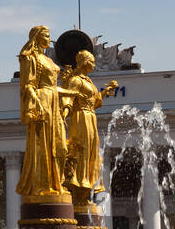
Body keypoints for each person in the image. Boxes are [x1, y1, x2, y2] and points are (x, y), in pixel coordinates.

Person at [16, 25, 69, 198]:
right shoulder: (30, 58)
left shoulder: (49, 61)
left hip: (54, 103)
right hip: (43, 103)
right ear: (37, 37)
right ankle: (41, 185)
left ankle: (57, 183)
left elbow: (54, 87)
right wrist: (36, 102)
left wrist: (73, 93)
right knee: (43, 145)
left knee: (61, 146)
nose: (49, 39)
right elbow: (28, 85)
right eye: (46, 36)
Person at [60, 49, 117, 210]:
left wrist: (106, 91)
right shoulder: (76, 80)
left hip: (90, 117)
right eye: (91, 61)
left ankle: (86, 189)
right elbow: (68, 97)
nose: (93, 63)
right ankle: (78, 188)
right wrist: (64, 112)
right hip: (80, 118)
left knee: (92, 151)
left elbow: (95, 101)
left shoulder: (88, 81)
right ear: (84, 61)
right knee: (81, 151)